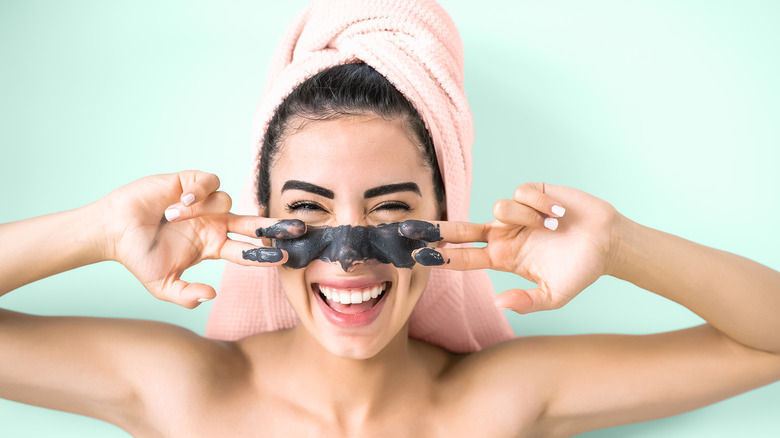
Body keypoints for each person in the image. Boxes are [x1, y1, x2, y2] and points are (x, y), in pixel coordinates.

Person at [2, 1, 779, 437]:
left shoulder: (496, 403)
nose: (348, 258)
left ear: (446, 216)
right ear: (259, 223)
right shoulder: (188, 395)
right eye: (307, 212)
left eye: (393, 211)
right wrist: (99, 231)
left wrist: (618, 245)